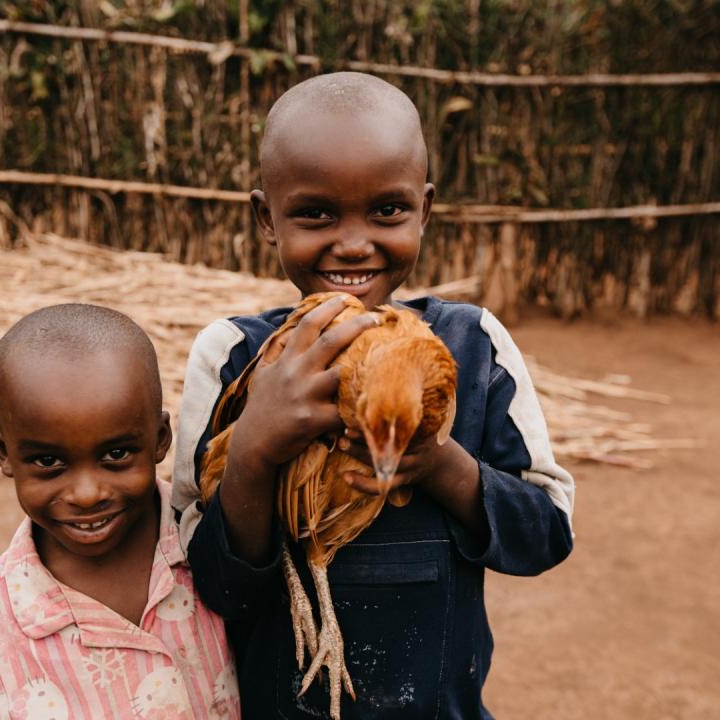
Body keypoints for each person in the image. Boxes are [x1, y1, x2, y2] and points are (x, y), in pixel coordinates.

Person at [172, 72, 575, 719]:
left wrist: (440, 462)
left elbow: (547, 531)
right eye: (316, 213)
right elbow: (205, 580)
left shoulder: (472, 346)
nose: (353, 242)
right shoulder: (234, 357)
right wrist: (251, 451)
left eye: (386, 210)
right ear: (265, 219)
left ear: (425, 209)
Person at [0, 303, 239, 719]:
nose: (86, 494)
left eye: (116, 454)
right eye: (48, 462)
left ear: (160, 439)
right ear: (3, 452)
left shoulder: (216, 543)